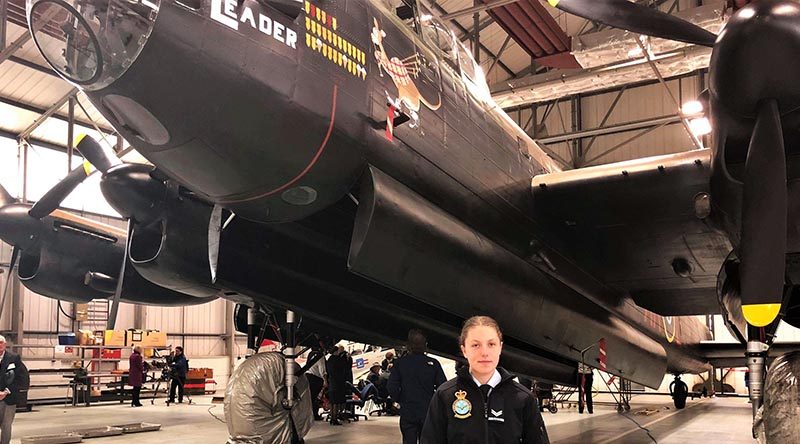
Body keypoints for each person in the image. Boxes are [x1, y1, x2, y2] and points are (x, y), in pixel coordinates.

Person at [421, 316, 549, 444]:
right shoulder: (445, 396)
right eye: (476, 345)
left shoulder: (523, 398)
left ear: (500, 347)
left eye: (491, 344)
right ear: (464, 350)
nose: (484, 352)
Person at [388, 329, 446, 444]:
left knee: (409, 440)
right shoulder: (433, 363)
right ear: (425, 345)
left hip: (408, 410)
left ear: (408, 346)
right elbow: (443, 387)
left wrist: (399, 399)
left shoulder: (400, 363)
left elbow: (392, 386)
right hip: (427, 410)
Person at [0, 335, 28, 444]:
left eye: (1, 343)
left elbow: (21, 378)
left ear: (5, 344)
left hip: (9, 398)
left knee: (6, 425)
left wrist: (6, 391)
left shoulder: (14, 358)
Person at [326, 345, 350, 425]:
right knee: (336, 402)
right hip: (338, 383)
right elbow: (346, 367)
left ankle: (332, 418)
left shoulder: (329, 359)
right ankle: (335, 418)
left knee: (332, 402)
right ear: (336, 351)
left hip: (331, 383)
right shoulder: (338, 359)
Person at [305, 350, 326, 420]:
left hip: (307, 377)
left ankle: (308, 415)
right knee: (315, 398)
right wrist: (325, 380)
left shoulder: (310, 354)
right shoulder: (320, 356)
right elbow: (322, 370)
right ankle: (315, 415)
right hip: (316, 379)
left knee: (309, 398)